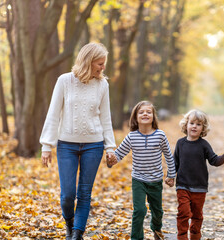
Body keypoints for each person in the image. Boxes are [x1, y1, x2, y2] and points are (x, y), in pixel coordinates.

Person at [40, 42, 116, 240]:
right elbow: (53, 113)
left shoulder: (102, 84)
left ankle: (77, 234)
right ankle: (70, 223)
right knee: (67, 195)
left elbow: (105, 118)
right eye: (99, 63)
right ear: (88, 61)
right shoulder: (65, 81)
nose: (102, 68)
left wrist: (110, 146)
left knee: (84, 192)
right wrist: (46, 145)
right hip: (67, 145)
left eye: (103, 64)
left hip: (94, 145)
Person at [107, 100, 176, 240]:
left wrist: (171, 175)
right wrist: (111, 159)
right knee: (139, 210)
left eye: (149, 112)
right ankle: (136, 238)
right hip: (138, 180)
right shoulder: (132, 136)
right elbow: (119, 154)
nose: (145, 114)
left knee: (158, 212)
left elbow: (169, 156)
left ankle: (156, 229)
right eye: (141, 112)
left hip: (156, 180)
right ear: (135, 117)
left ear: (153, 117)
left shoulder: (160, 135)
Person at [174, 110, 224, 240]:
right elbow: (175, 162)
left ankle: (195, 236)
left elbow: (214, 161)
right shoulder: (180, 143)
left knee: (197, 215)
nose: (194, 126)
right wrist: (170, 176)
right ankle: (182, 236)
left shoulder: (204, 145)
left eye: (199, 124)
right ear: (186, 125)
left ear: (203, 128)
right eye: (192, 123)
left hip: (199, 187)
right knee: (183, 212)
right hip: (182, 185)